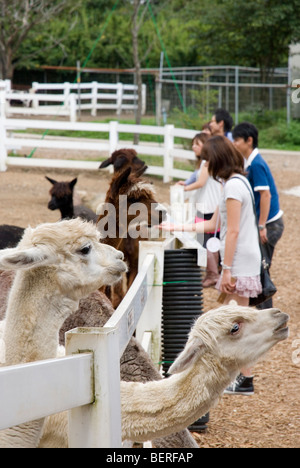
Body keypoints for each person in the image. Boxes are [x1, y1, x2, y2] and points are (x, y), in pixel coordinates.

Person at [159, 135, 262, 395]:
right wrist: (176, 226)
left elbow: (234, 231)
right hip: (240, 255)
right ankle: (243, 377)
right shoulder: (234, 183)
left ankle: (245, 379)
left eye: (208, 159)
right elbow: (212, 225)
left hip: (239, 257)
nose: (205, 165)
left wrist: (226, 269)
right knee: (237, 317)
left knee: (239, 320)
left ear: (217, 160)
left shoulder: (233, 187)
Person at [232, 122, 284, 309]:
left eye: (237, 140)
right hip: (268, 223)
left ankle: (266, 315)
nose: (234, 144)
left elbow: (266, 194)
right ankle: (264, 314)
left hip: (270, 224)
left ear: (249, 141)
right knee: (261, 270)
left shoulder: (256, 164)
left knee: (260, 271)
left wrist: (261, 225)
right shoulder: (251, 162)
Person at [182, 133, 222, 287]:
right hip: (208, 205)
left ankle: (212, 274)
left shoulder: (206, 162)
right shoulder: (208, 162)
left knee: (205, 241)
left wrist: (184, 188)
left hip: (206, 206)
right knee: (211, 241)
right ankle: (212, 272)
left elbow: (201, 182)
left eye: (197, 144)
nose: (194, 147)